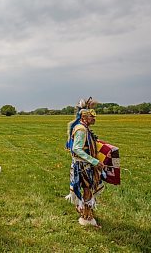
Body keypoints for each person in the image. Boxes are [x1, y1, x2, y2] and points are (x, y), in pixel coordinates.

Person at [65, 97, 105, 227]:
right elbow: (76, 149)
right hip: (82, 166)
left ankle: (84, 211)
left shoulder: (82, 127)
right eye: (92, 117)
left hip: (83, 165)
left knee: (88, 189)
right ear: (84, 117)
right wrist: (94, 161)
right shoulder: (81, 129)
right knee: (88, 189)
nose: (94, 119)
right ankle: (87, 217)